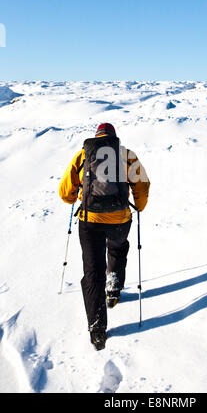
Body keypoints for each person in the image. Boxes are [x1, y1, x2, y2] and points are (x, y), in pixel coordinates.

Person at [59, 123, 150, 350]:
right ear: (114, 137)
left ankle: (98, 329)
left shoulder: (83, 155)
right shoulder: (127, 155)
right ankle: (113, 290)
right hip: (120, 219)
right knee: (117, 248)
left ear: (97, 137)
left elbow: (65, 191)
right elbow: (142, 186)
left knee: (92, 270)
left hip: (90, 221)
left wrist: (72, 199)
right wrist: (139, 205)